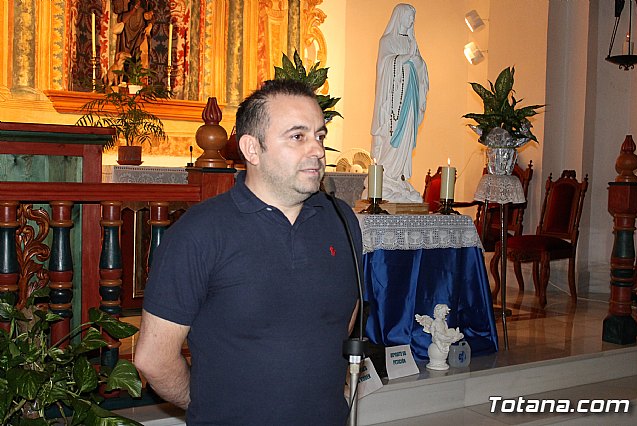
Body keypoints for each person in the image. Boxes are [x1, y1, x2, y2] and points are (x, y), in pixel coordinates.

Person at [134, 79, 362, 425]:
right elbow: (153, 358)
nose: (316, 150)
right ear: (252, 150)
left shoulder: (342, 220)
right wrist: (208, 404)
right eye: (298, 137)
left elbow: (342, 320)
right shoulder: (200, 232)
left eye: (320, 136)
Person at [369, 3, 429, 203]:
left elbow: (421, 67)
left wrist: (417, 62)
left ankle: (399, 177)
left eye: (413, 18)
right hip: (393, 103)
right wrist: (404, 59)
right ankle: (387, 178)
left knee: (406, 138)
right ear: (399, 17)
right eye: (408, 17)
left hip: (410, 97)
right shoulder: (387, 40)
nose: (411, 21)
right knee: (392, 136)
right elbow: (384, 65)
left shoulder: (413, 42)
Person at [112, 0, 154, 69]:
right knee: (124, 58)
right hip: (126, 30)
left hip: (141, 30)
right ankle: (124, 76)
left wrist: (150, 24)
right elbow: (117, 9)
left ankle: (139, 76)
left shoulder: (145, 3)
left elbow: (151, 13)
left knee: (141, 55)